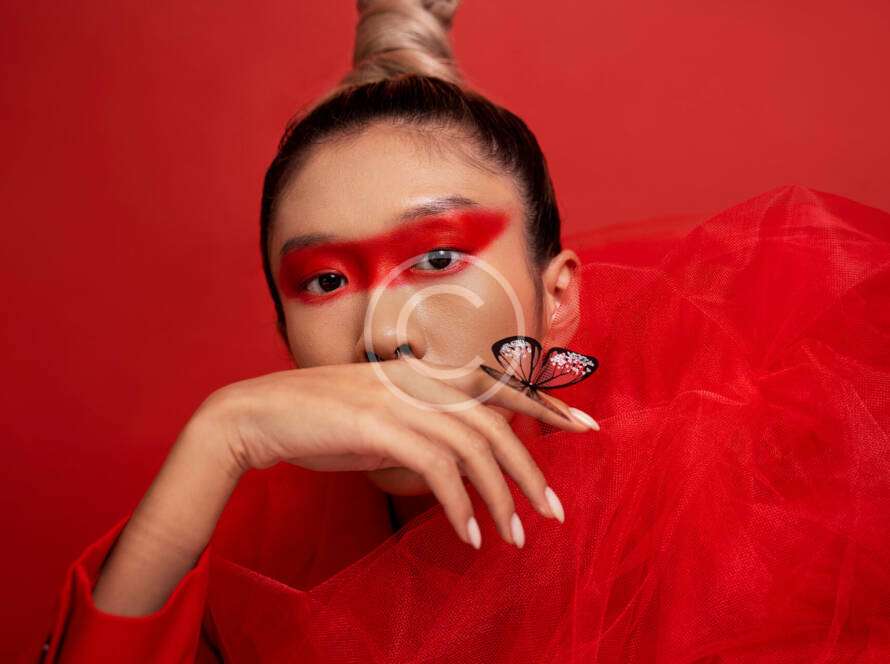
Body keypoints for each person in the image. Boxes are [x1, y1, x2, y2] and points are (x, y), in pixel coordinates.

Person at [30, 1, 890, 662]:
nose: (382, 336)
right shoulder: (259, 545)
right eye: (325, 280)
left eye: (438, 259)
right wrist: (219, 435)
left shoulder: (726, 501)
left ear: (557, 299)